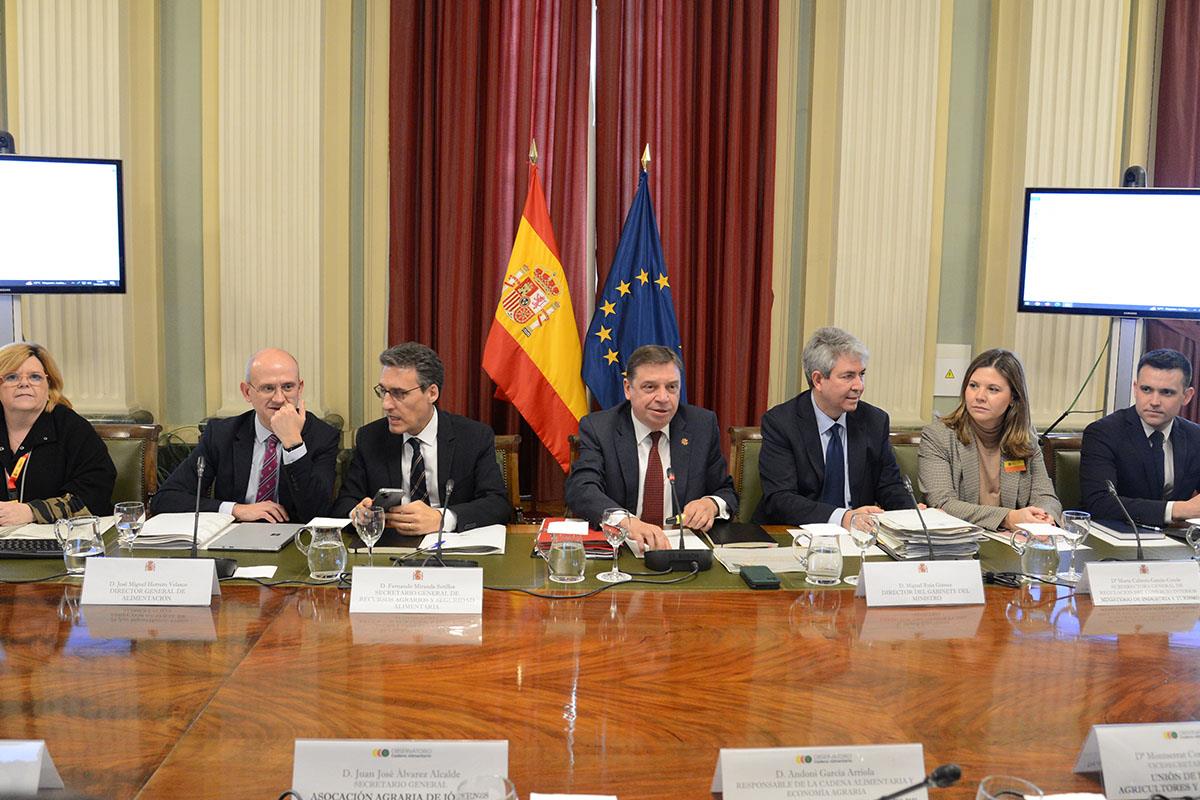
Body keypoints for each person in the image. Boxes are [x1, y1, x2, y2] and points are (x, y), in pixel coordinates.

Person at [565, 345, 739, 551]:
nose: (664, 398)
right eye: (650, 387)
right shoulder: (600, 428)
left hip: (684, 551)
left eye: (672, 387)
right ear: (628, 389)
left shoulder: (701, 425)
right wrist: (626, 523)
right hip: (622, 549)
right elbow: (582, 489)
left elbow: (726, 491)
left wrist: (711, 504)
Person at [334, 343, 510, 532]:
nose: (386, 404)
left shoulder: (473, 437)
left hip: (452, 548)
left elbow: (497, 505)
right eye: (384, 391)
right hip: (389, 548)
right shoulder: (370, 438)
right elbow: (344, 503)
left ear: (432, 393)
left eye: (399, 393)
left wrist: (442, 519)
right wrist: (357, 513)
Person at [152, 348, 339, 522]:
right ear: (247, 392)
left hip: (295, 544)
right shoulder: (221, 434)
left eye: (288, 387)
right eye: (268, 388)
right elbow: (166, 499)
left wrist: (293, 444)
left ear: (300, 388)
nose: (279, 399)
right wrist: (235, 509)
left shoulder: (322, 436)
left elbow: (318, 514)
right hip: (233, 539)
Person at [754, 326, 909, 527]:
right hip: (796, 533)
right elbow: (780, 499)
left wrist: (913, 514)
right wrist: (843, 517)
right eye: (848, 376)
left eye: (862, 374)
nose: (859, 385)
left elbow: (890, 487)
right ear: (818, 380)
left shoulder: (874, 421)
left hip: (858, 535)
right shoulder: (781, 423)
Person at [918, 348, 1060, 530]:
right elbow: (942, 503)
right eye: (973, 386)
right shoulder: (938, 435)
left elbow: (1046, 496)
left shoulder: (1026, 437)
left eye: (993, 389)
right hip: (959, 544)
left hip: (1014, 543)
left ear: (1013, 398)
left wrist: (1043, 517)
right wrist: (1008, 518)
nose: (979, 397)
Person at [1080, 348, 1200, 526]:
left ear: (1187, 396)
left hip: (1177, 541)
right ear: (1135, 389)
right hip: (1115, 539)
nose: (1154, 401)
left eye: (1166, 392)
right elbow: (1099, 503)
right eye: (1146, 389)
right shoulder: (1103, 433)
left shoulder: (1195, 436)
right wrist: (1178, 510)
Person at [0, 342, 115, 524]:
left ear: (49, 385)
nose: (24, 383)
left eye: (35, 377)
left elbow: (94, 494)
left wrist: (32, 512)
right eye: (12, 377)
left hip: (61, 540)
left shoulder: (72, 428)